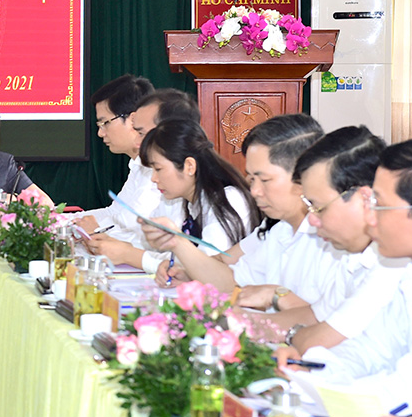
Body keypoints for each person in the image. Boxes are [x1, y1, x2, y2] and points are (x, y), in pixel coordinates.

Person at [275, 137, 412, 413]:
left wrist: (322, 393)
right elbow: (371, 349)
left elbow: (411, 394)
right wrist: (312, 369)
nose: (370, 218)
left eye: (380, 206)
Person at [151, 115, 328, 302]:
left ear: (304, 176)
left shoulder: (331, 237)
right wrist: (183, 260)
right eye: (251, 179)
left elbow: (324, 316)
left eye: (265, 180)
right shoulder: (278, 229)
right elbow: (231, 280)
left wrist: (276, 297)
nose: (254, 191)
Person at [282, 127, 407, 353]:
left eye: (319, 208)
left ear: (365, 198)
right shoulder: (354, 251)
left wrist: (291, 335)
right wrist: (240, 321)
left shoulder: (395, 259)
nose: (312, 220)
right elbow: (317, 315)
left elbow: (322, 340)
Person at [134, 118, 261, 280]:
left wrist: (132, 256)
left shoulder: (229, 200)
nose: (153, 178)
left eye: (158, 169)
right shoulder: (187, 199)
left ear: (189, 166)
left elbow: (208, 265)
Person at [83, 87, 197, 259]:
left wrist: (100, 234)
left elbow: (184, 261)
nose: (137, 141)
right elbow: (148, 242)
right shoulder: (165, 182)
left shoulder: (222, 199)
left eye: (141, 133)